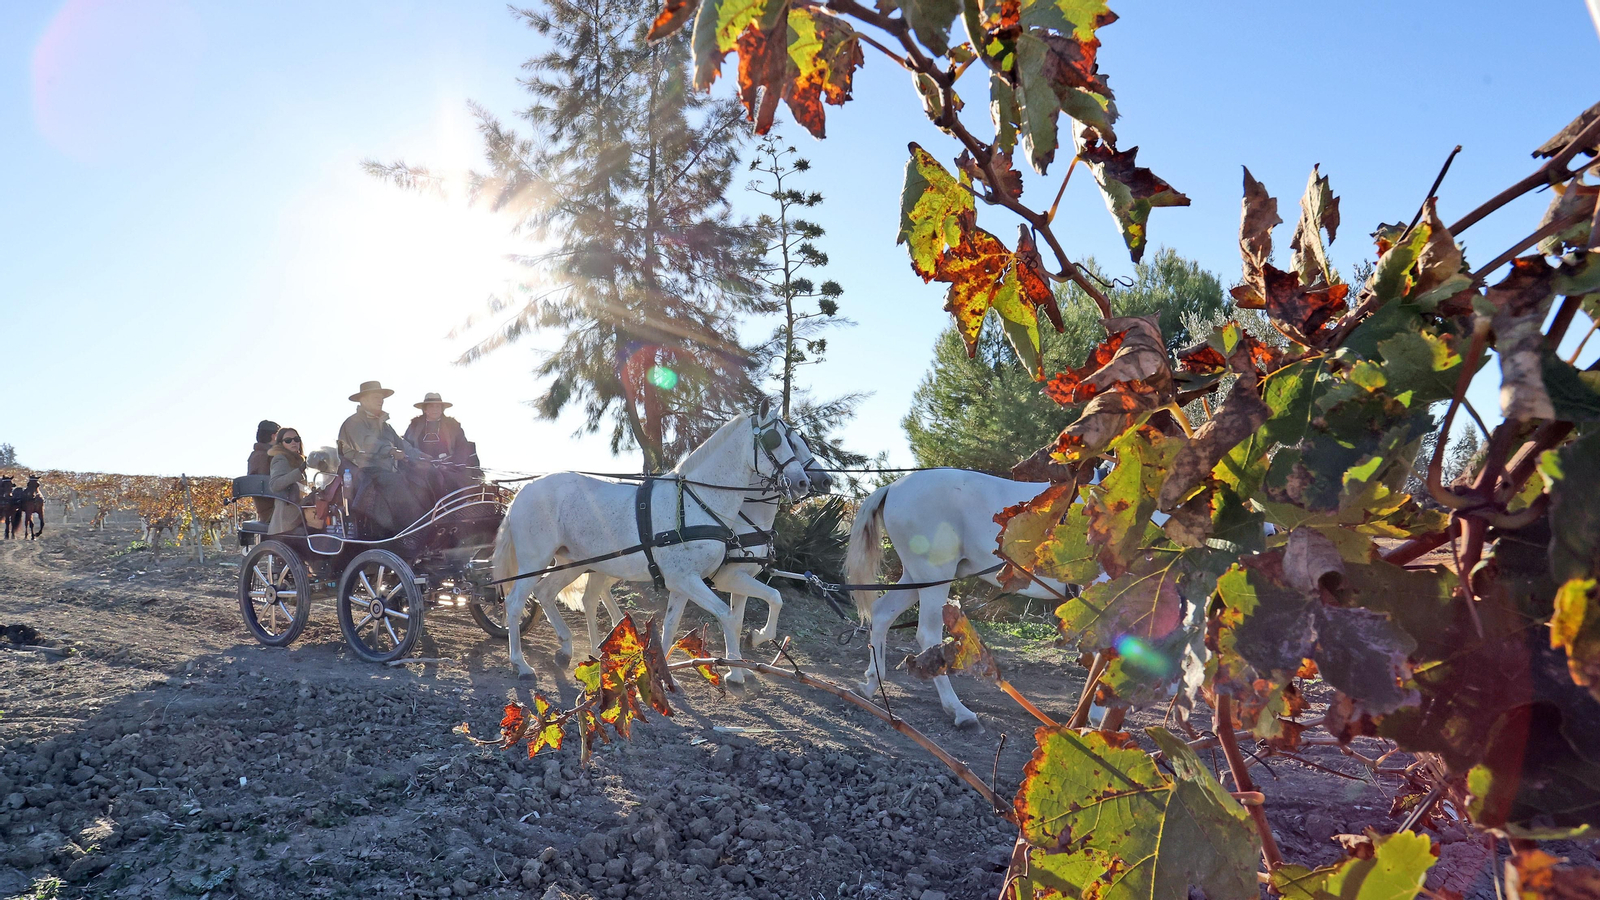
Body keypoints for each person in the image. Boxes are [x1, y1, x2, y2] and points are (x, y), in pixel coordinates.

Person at [337, 381, 427, 537]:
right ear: (363, 400)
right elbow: (366, 443)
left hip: (386, 470)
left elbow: (403, 445)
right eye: (375, 397)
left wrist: (423, 457)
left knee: (421, 478)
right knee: (394, 481)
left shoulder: (385, 425)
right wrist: (390, 451)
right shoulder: (353, 422)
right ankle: (409, 529)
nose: (380, 400)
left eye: (381, 397)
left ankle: (425, 522)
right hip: (362, 472)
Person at [404, 392, 480, 493]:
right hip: (421, 467)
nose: (435, 409)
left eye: (438, 406)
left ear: (442, 409)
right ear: (425, 409)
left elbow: (462, 448)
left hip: (449, 466)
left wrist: (451, 464)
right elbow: (406, 445)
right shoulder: (414, 425)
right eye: (431, 406)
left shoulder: (453, 425)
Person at [266, 427, 308, 535]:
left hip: (299, 513)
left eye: (296, 439)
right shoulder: (280, 458)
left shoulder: (299, 459)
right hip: (286, 519)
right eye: (288, 440)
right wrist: (299, 471)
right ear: (281, 444)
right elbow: (275, 485)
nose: (293, 442)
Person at [247, 419, 279, 524]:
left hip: (264, 512)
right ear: (274, 436)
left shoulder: (254, 455)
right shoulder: (270, 457)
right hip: (276, 512)